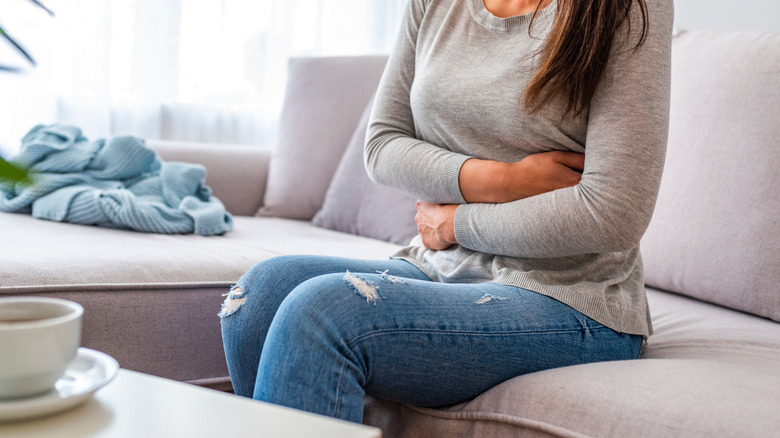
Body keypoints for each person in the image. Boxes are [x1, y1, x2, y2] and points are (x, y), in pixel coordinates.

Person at [220, 0, 673, 424]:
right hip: (439, 266)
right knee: (260, 294)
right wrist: (504, 180)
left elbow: (614, 213)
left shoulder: (628, 8)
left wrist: (456, 223)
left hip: (571, 296)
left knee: (322, 312)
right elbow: (382, 145)